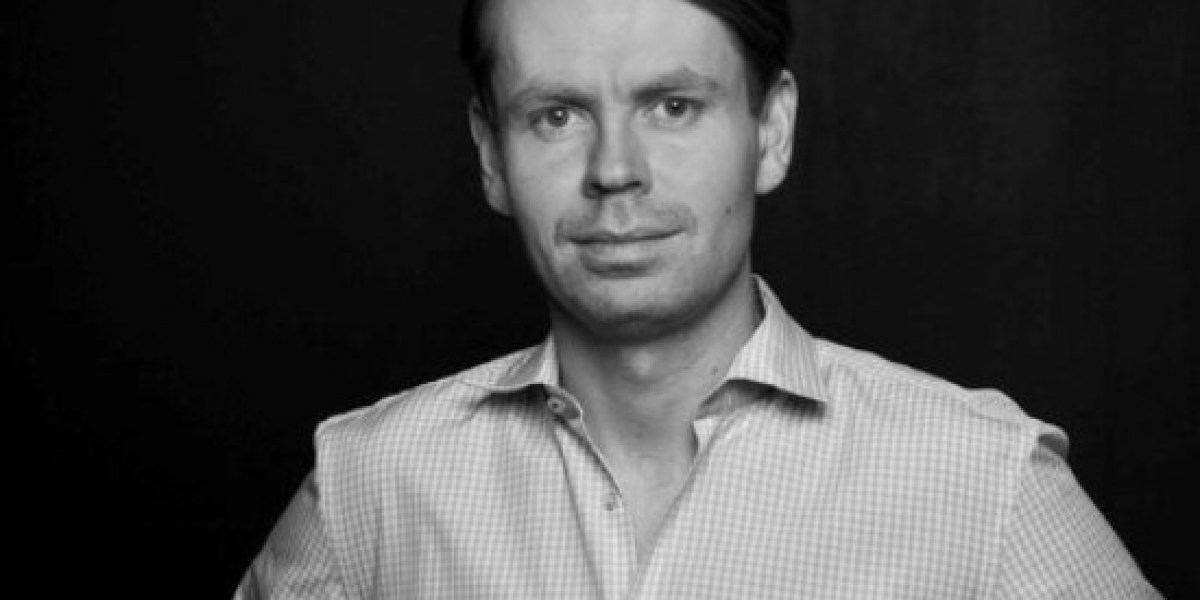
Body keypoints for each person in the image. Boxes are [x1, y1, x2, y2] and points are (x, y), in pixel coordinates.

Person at [235, 0, 1161, 597]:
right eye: (556, 115)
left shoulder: (986, 487)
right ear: (490, 154)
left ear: (772, 130)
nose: (615, 170)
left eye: (672, 106)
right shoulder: (368, 489)